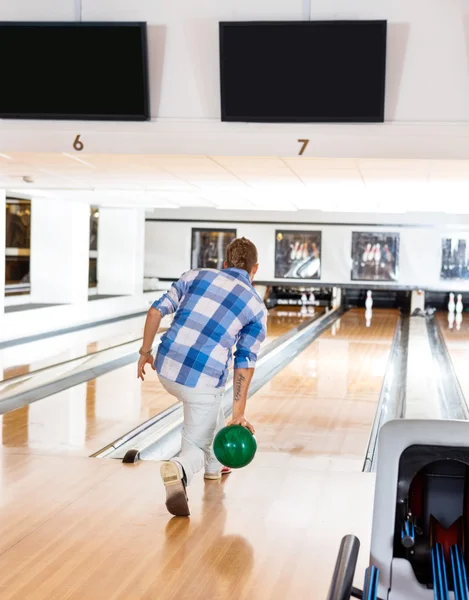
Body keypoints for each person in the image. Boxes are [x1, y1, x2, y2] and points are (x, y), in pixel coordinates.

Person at [138, 237, 267, 517]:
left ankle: (214, 469)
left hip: (166, 367)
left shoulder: (194, 275)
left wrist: (145, 352)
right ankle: (181, 469)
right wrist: (239, 415)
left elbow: (155, 310)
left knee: (210, 412)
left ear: (224, 263)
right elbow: (244, 361)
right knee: (196, 441)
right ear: (254, 269)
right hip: (201, 383)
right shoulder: (256, 306)